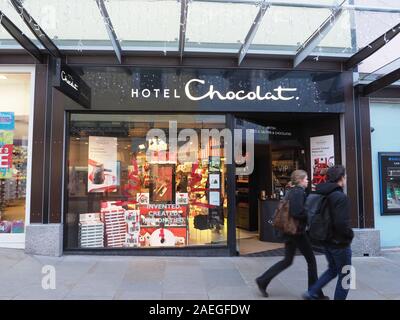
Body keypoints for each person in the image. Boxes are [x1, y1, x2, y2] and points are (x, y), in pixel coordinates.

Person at [255, 170, 327, 299]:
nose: (307, 181)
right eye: (306, 179)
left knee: (288, 260)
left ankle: (263, 280)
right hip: (297, 231)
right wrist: (309, 215)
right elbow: (296, 212)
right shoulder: (298, 192)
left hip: (290, 231)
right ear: (299, 180)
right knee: (311, 260)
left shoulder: (291, 191)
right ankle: (314, 291)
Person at [302, 165, 354, 300]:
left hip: (325, 240)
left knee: (333, 269)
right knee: (346, 275)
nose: (346, 178)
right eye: (345, 176)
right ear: (341, 178)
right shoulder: (340, 197)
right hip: (339, 243)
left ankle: (312, 292)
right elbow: (341, 223)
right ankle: (312, 292)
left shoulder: (321, 192)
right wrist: (349, 235)